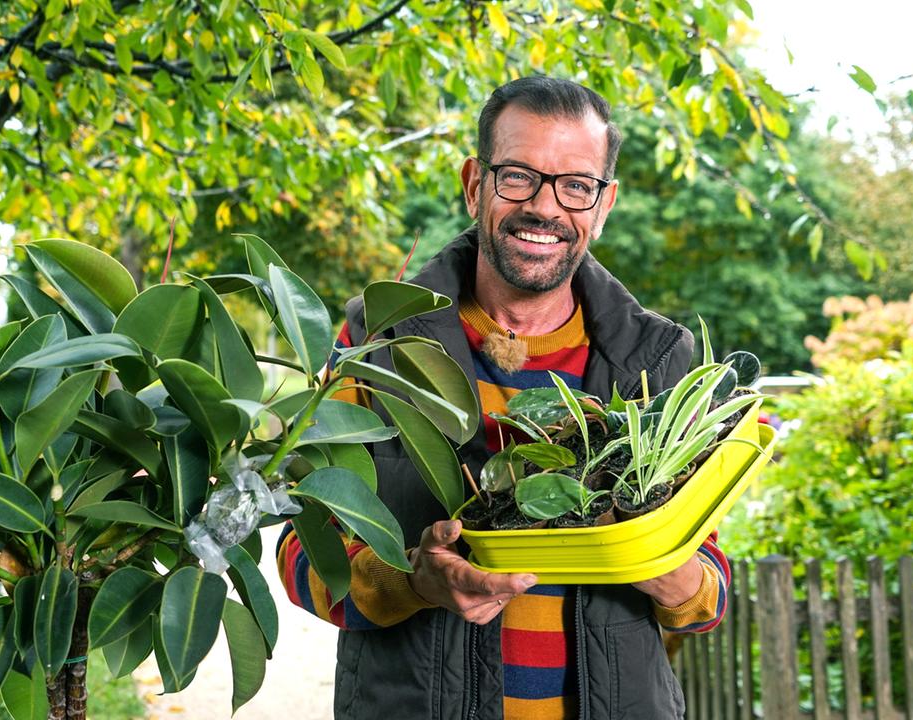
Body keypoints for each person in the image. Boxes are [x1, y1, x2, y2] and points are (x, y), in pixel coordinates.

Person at [277, 76, 729, 720]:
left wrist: (660, 564)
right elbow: (304, 558)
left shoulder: (656, 365)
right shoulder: (374, 343)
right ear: (474, 184)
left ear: (603, 206)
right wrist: (413, 582)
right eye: (518, 175)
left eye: (576, 185)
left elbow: (709, 591)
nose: (545, 207)